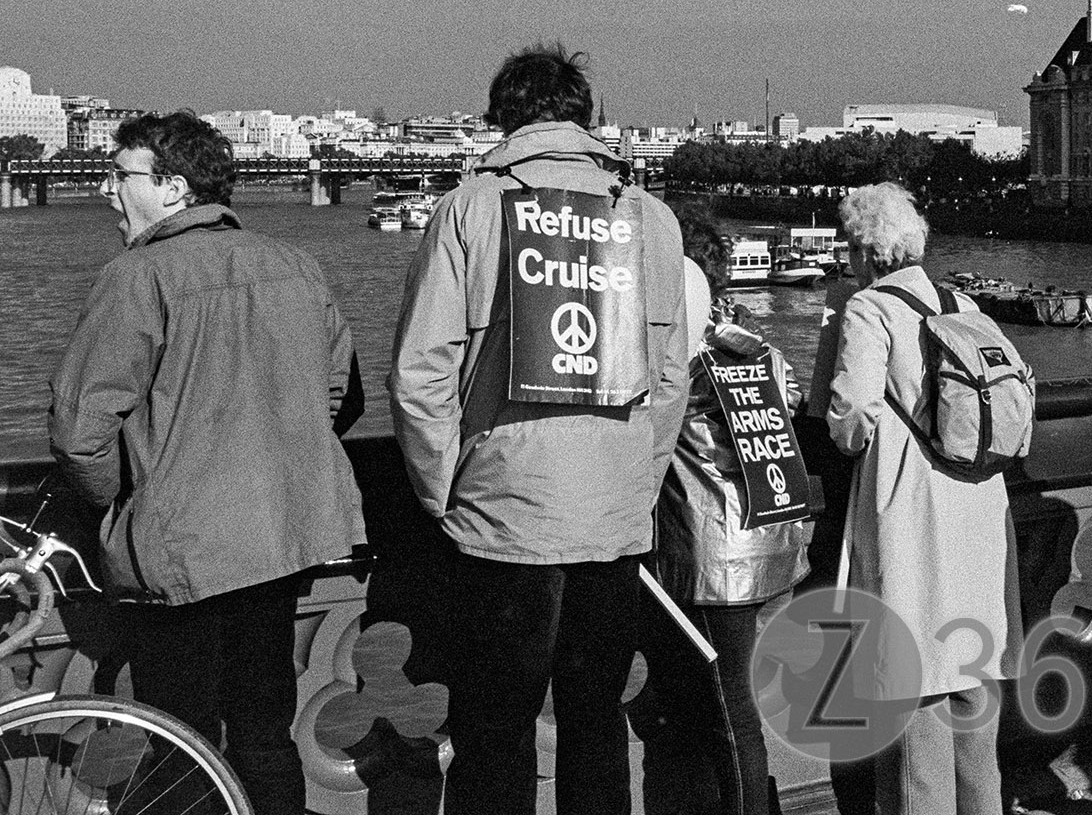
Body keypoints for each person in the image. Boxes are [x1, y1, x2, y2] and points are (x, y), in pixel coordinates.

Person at [387, 44, 690, 815]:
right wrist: (635, 486)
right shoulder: (649, 217)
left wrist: (441, 490)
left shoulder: (470, 207)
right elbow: (671, 378)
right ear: (585, 117)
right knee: (596, 727)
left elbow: (421, 377)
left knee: (495, 734)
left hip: (504, 520)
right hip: (615, 524)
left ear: (503, 118)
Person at [50, 111, 366, 815]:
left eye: (119, 175)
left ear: (172, 188)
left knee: (182, 743)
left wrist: (122, 510)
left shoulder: (137, 277)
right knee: (264, 735)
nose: (107, 190)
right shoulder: (296, 266)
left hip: (183, 555)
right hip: (282, 541)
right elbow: (340, 399)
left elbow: (80, 434)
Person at [826, 182, 1019, 815]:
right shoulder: (962, 302)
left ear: (864, 250)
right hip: (979, 505)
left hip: (911, 511)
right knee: (971, 691)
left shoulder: (869, 309)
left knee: (915, 695)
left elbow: (850, 418)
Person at [644, 205, 811, 815]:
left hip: (709, 557)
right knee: (726, 704)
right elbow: (792, 399)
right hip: (768, 544)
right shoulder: (748, 347)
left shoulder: (681, 362)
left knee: (724, 713)